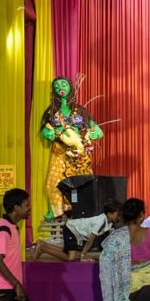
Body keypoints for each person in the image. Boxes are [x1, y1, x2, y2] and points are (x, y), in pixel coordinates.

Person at [40, 76, 103, 220]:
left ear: (70, 87)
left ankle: (88, 209)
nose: (60, 88)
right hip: (60, 150)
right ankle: (57, 210)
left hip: (79, 152)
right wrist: (51, 133)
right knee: (54, 180)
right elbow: (45, 130)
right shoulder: (51, 111)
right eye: (56, 86)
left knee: (84, 181)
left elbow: (98, 130)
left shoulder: (80, 111)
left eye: (63, 85)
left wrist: (90, 135)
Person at [33, 200, 122, 262]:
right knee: (71, 258)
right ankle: (43, 247)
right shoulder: (101, 222)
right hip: (71, 229)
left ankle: (43, 245)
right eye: (118, 215)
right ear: (109, 214)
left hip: (73, 230)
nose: (119, 217)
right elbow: (90, 241)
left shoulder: (109, 223)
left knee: (69, 253)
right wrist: (83, 257)